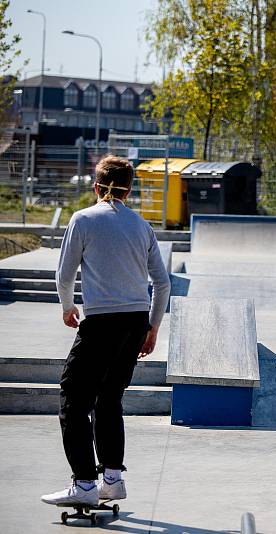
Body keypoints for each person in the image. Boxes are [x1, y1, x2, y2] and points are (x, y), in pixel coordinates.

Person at [41, 155, 170, 507]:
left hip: (102, 321)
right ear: (129, 190)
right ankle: (112, 479)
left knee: (73, 398)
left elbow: (65, 275)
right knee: (109, 398)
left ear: (96, 186)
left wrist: (68, 307)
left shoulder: (83, 219)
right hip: (135, 322)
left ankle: (84, 482)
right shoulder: (142, 226)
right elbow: (162, 282)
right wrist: (153, 327)